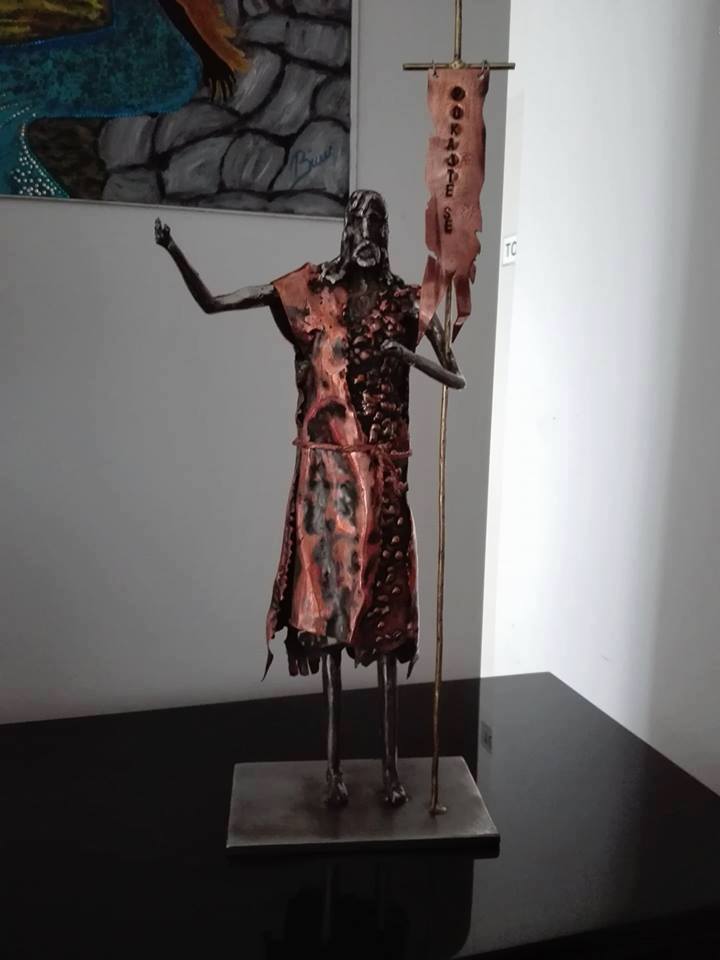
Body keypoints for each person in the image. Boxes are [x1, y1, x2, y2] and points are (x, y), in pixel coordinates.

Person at [155, 189, 465, 807]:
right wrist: (175, 252)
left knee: (384, 625)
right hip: (326, 492)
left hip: (384, 485)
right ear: (347, 231)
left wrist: (409, 355)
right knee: (326, 630)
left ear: (385, 233)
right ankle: (333, 770)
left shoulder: (411, 302)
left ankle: (391, 769)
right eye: (359, 223)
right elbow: (216, 302)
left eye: (377, 223)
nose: (367, 234)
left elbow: (454, 373)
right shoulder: (311, 292)